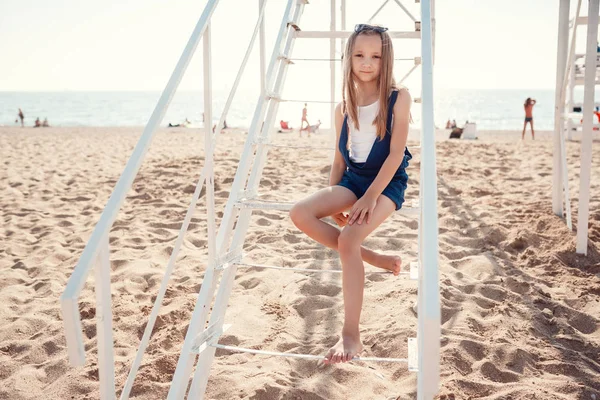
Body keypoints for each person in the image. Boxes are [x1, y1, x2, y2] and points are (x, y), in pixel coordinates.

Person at [289, 23, 412, 364]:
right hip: (354, 179)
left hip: (386, 182)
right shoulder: (342, 107)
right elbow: (340, 157)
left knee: (346, 241)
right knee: (300, 213)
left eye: (375, 55)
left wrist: (370, 197)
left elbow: (396, 154)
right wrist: (334, 202)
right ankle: (372, 257)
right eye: (359, 54)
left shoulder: (398, 97)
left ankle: (351, 335)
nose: (367, 62)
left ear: (385, 58)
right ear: (349, 57)